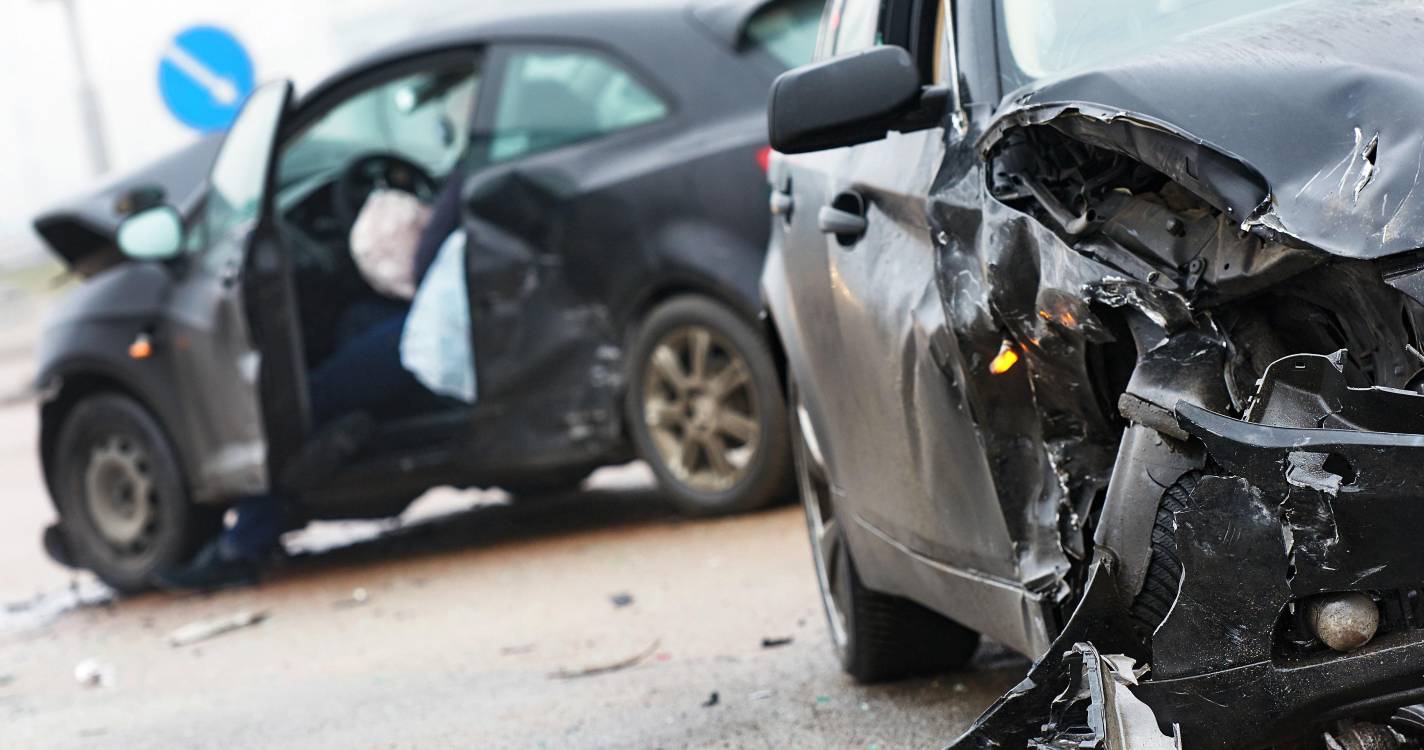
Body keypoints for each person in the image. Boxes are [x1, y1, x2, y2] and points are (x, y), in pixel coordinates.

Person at [156, 169, 467, 591]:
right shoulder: (491, 153)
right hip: (443, 310)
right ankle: (360, 426)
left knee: (301, 401)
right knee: (354, 322)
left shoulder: (481, 159)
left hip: (436, 326)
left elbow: (426, 259)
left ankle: (243, 546)